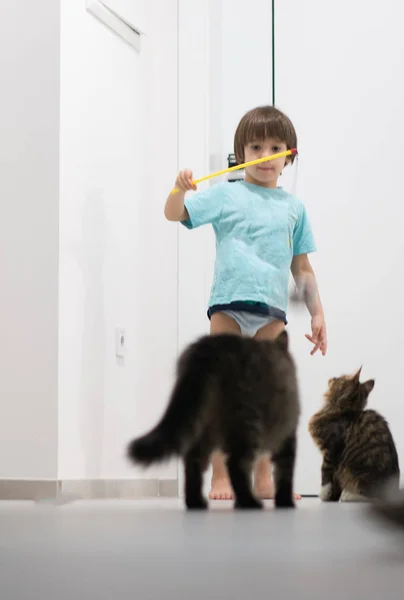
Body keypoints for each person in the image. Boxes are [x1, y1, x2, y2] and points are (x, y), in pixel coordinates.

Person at [164, 105, 327, 500]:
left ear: (289, 155)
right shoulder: (225, 194)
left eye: (274, 147)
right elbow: (174, 214)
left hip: (271, 313)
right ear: (241, 153)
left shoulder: (293, 208)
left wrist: (319, 312)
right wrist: (178, 188)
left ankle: (262, 474)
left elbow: (301, 267)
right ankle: (220, 476)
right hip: (228, 306)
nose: (265, 155)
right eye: (255, 147)